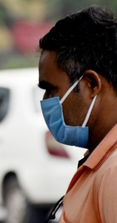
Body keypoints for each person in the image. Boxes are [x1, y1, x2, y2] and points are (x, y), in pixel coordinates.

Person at [38, 5, 117, 222]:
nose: (45, 101)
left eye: (50, 88)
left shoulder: (114, 172)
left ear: (91, 85)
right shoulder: (99, 161)